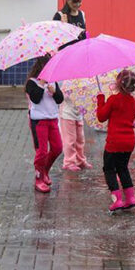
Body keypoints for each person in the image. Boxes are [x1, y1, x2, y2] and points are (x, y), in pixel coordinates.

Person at [97, 69, 135, 212]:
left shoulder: (113, 100)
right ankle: (130, 198)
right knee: (123, 168)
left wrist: (100, 100)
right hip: (129, 141)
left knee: (109, 169)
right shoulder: (134, 102)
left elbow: (101, 117)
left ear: (118, 84)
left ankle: (117, 200)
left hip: (114, 142)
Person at [25, 56, 63, 193]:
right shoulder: (32, 83)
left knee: (58, 148)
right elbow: (35, 98)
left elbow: (60, 99)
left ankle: (45, 170)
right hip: (39, 121)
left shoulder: (53, 82)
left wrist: (54, 92)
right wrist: (41, 83)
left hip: (53, 120)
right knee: (41, 152)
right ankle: (38, 178)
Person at [58, 30, 91, 171]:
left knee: (80, 139)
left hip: (78, 112)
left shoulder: (82, 70)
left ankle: (80, 159)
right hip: (67, 113)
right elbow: (61, 91)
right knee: (69, 140)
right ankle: (69, 162)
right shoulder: (65, 71)